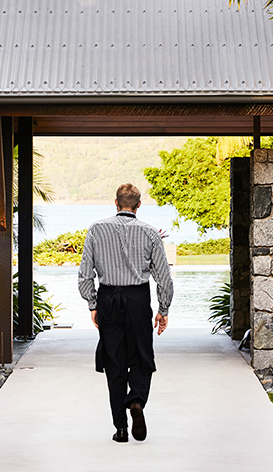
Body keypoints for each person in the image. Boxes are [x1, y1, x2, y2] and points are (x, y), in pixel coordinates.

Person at [77, 183, 173, 443]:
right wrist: (163, 309)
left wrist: (93, 304)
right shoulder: (151, 233)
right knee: (142, 356)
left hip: (109, 298)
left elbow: (86, 274)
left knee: (114, 364)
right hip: (138, 300)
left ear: (116, 203)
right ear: (138, 205)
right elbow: (163, 277)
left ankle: (120, 428)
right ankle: (137, 401)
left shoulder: (97, 229)